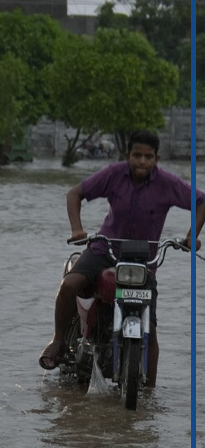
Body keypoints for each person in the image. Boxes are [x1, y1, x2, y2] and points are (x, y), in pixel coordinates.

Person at [38, 131, 204, 387]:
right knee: (70, 285)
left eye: (148, 157)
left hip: (143, 261)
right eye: (137, 155)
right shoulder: (114, 174)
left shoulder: (168, 183)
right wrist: (76, 229)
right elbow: (74, 194)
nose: (142, 161)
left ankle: (148, 391)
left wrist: (192, 236)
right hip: (104, 250)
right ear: (128, 156)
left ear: (156, 159)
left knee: (151, 325)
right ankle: (58, 340)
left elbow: (201, 201)